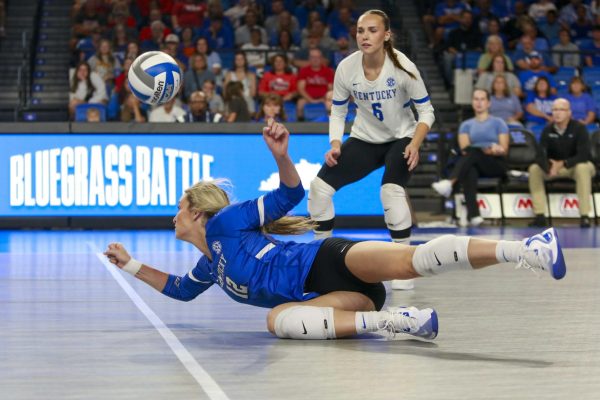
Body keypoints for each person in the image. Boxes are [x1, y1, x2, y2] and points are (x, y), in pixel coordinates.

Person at [104, 118, 567, 341]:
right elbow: (181, 290)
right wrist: (130, 265)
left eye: (180, 207)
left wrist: (281, 154)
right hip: (332, 299)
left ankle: (526, 249)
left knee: (411, 260)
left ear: (199, 212)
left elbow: (288, 196)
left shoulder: (227, 223)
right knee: (276, 321)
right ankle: (397, 322)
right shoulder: (211, 265)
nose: (174, 214)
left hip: (325, 259)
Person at [307, 9, 435, 291]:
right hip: (365, 139)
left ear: (386, 35)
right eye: (360, 31)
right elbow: (338, 111)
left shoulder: (403, 67)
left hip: (401, 137)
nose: (365, 36)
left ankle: (403, 267)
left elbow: (426, 112)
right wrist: (336, 144)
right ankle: (320, 256)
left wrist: (415, 143)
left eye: (372, 30)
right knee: (319, 190)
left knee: (390, 191)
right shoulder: (346, 68)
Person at [431, 89, 509, 227]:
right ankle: (474, 216)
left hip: (495, 163)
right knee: (470, 166)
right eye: (476, 99)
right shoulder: (466, 125)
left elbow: (504, 149)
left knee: (474, 153)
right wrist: (485, 149)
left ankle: (450, 183)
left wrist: (492, 150)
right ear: (472, 102)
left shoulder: (499, 123)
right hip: (473, 162)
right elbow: (465, 149)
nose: (479, 102)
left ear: (488, 103)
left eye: (482, 99)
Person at [527, 98, 596, 228]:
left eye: (561, 109)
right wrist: (549, 167)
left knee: (583, 168)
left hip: (576, 166)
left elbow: (584, 155)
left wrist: (563, 163)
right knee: (535, 169)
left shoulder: (579, 128)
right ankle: (540, 216)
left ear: (569, 112)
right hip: (554, 168)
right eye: (554, 109)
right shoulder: (547, 130)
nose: (557, 113)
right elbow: (539, 155)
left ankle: (585, 215)